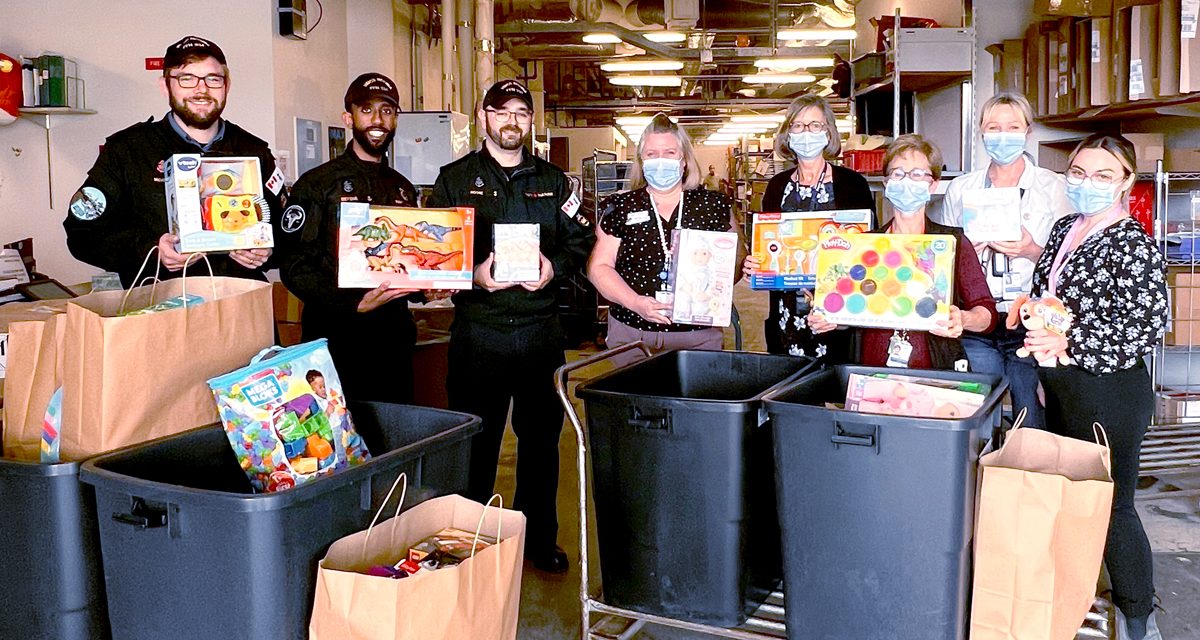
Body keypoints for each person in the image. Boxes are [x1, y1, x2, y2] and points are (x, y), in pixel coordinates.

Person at [427, 79, 594, 574]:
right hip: (480, 331)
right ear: (483, 117)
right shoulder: (453, 180)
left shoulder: (556, 181)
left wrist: (554, 269)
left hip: (542, 333)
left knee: (542, 445)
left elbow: (579, 241)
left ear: (529, 121)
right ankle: (466, 546)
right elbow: (434, 248)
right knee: (475, 443)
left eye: (522, 112)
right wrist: (474, 275)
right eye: (503, 111)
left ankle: (538, 542)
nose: (512, 121)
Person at [1023, 134, 1167, 640]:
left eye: (1103, 175)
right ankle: (1078, 598)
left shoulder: (1131, 242)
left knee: (1113, 507)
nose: (1087, 184)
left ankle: (1138, 620)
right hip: (1063, 385)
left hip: (1109, 391)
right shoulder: (1066, 228)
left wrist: (1066, 341)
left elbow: (1143, 327)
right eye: (1079, 173)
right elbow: (1049, 297)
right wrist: (1044, 351)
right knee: (1075, 500)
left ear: (1126, 181)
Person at [64, 36, 284, 286]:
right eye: (186, 78)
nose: (201, 90)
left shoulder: (255, 151)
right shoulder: (128, 151)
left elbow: (288, 230)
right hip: (160, 309)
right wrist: (151, 251)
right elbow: (82, 234)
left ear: (227, 86)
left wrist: (267, 250)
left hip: (240, 307)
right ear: (165, 86)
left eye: (213, 78)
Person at [279, 73, 422, 404]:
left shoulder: (402, 188)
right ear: (349, 118)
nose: (377, 120)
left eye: (387, 111)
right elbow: (294, 264)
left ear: (396, 119)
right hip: (335, 336)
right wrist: (352, 304)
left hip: (393, 337)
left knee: (393, 436)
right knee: (338, 443)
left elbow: (409, 258)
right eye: (367, 110)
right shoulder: (316, 184)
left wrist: (428, 288)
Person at [932, 92, 1071, 427]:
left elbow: (1070, 259)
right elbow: (944, 257)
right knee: (979, 406)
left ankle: (1025, 475)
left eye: (1012, 127)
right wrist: (966, 252)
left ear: (1028, 131)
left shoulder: (1053, 187)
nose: (1002, 135)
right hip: (979, 317)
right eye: (994, 127)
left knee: (1029, 410)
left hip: (1029, 316)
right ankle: (979, 474)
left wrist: (1031, 250)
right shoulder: (962, 189)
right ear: (981, 131)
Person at [809, 134, 997, 369]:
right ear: (887, 183)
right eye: (898, 173)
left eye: (918, 174)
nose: (907, 181)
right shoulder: (862, 245)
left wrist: (963, 319)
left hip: (934, 374)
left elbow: (987, 313)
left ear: (933, 184)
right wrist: (830, 318)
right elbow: (850, 310)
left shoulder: (951, 243)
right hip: (870, 371)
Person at [588, 113, 741, 360]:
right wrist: (636, 302)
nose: (661, 161)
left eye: (670, 153)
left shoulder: (713, 205)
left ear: (684, 161)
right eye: (651, 154)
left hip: (698, 336)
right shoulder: (621, 207)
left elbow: (735, 261)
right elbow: (599, 267)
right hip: (632, 335)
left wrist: (711, 292)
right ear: (641, 160)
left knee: (695, 398)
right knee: (635, 398)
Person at [742, 94, 875, 361]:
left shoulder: (852, 184)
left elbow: (870, 251)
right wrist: (755, 265)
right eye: (798, 126)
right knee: (786, 389)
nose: (807, 132)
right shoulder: (777, 186)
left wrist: (842, 313)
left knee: (834, 388)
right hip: (786, 313)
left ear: (829, 133)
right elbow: (768, 243)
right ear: (788, 133)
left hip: (837, 313)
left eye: (816, 125)